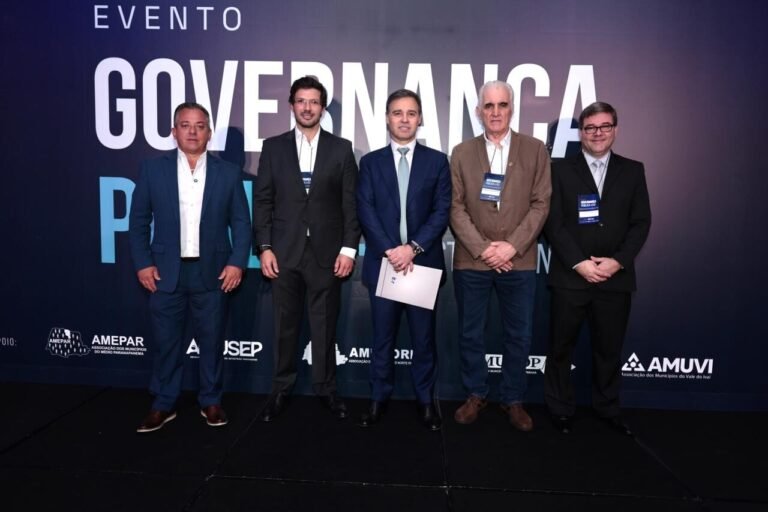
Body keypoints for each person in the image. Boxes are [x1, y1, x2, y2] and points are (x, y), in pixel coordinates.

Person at [129, 102, 252, 433]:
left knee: (211, 341)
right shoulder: (153, 170)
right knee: (166, 342)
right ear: (174, 131)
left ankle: (211, 401)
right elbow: (138, 221)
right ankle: (163, 403)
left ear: (209, 133)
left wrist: (237, 263)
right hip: (165, 271)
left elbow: (242, 223)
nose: (193, 131)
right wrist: (143, 264)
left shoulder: (228, 173)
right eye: (185, 125)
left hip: (212, 271)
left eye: (200, 126)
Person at [253, 76, 360, 421]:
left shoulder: (341, 149)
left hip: (328, 255)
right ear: (291, 105)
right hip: (283, 253)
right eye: (301, 101)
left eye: (314, 101)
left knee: (325, 326)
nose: (307, 107)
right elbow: (263, 201)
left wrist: (348, 250)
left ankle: (326, 388)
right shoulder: (273, 148)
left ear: (322, 107)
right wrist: (264, 247)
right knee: (284, 326)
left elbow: (350, 205)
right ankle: (280, 390)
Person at [544, 101, 651, 435]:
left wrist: (617, 261)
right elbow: (553, 223)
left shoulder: (633, 170)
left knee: (609, 349)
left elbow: (641, 223)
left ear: (615, 130)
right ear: (581, 133)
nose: (598, 133)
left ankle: (607, 407)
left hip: (615, 279)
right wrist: (579, 263)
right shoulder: (559, 170)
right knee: (560, 347)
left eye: (604, 126)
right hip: (570, 277)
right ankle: (560, 409)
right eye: (590, 128)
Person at [450, 80, 551, 431]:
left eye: (502, 105)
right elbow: (455, 207)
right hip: (472, 260)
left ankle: (513, 398)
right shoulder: (461, 153)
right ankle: (475, 393)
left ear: (512, 108)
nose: (495, 112)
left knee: (519, 335)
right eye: (489, 106)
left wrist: (511, 246)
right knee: (470, 333)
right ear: (479, 111)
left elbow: (541, 204)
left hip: (518, 260)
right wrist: (483, 249)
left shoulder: (535, 150)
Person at [356, 89, 451, 431]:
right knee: (382, 338)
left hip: (421, 265)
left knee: (423, 340)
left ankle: (426, 401)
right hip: (384, 265)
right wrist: (391, 251)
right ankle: (378, 398)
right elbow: (365, 211)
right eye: (398, 113)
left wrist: (412, 248)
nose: (404, 119)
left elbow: (441, 211)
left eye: (411, 113)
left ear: (420, 118)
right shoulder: (370, 163)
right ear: (387, 118)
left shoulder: (437, 161)